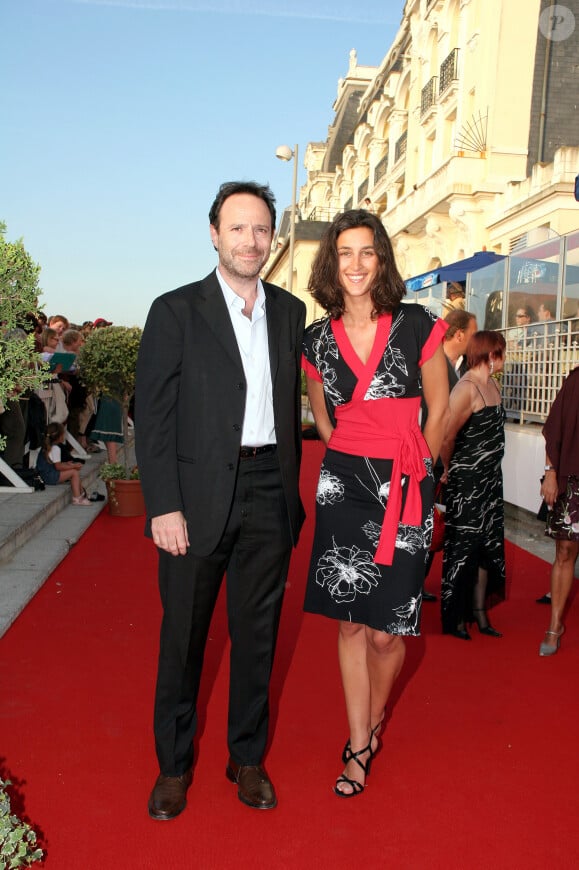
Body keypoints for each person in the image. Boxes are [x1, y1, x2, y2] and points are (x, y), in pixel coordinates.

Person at [135, 181, 306, 820]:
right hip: (195, 497)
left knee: (258, 636)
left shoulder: (289, 313)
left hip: (268, 491)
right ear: (214, 234)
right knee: (183, 637)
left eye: (260, 229)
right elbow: (152, 419)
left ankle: (247, 757)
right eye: (237, 228)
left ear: (272, 238)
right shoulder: (175, 311)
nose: (250, 240)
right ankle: (173, 767)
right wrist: (163, 505)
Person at [301, 209, 448, 798]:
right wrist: (351, 460)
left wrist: (418, 474)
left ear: (381, 260)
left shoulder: (415, 324)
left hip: (407, 485)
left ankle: (376, 717)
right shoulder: (315, 340)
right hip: (345, 489)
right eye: (345, 253)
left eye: (367, 252)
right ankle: (358, 742)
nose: (356, 264)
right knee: (351, 625)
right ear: (331, 263)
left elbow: (438, 409)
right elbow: (321, 417)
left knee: (390, 633)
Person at [440, 330, 507, 640]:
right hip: (467, 483)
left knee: (487, 548)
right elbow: (447, 434)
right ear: (490, 355)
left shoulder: (492, 385)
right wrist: (449, 468)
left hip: (492, 482)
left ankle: (479, 613)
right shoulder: (465, 388)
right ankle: (454, 618)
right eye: (502, 352)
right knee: (463, 549)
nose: (505, 359)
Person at [422, 309, 478, 599]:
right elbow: (436, 417)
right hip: (431, 460)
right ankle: (411, 584)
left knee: (435, 523)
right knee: (426, 522)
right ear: (459, 334)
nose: (474, 339)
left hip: (442, 462)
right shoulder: (437, 365)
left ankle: (417, 583)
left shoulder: (454, 366)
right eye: (472, 333)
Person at [538, 365, 579, 656]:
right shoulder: (576, 379)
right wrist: (551, 472)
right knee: (564, 551)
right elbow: (555, 427)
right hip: (574, 478)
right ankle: (554, 625)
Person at [35, 421, 91, 504]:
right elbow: (58, 467)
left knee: (72, 470)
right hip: (50, 477)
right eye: (63, 434)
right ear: (59, 436)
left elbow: (53, 463)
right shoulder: (56, 449)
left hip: (43, 475)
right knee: (74, 473)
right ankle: (77, 498)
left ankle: (82, 493)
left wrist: (67, 464)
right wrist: (73, 467)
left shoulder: (46, 446)